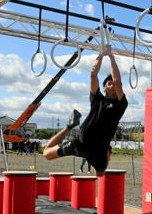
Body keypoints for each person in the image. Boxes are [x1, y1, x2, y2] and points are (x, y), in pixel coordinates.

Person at [43, 46, 127, 176]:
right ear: (104, 87)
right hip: (80, 143)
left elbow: (117, 82)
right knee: (46, 154)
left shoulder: (120, 105)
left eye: (113, 84)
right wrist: (100, 56)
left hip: (99, 150)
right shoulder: (97, 99)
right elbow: (93, 75)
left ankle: (106, 152)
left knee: (100, 174)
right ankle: (69, 126)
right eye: (108, 83)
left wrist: (111, 57)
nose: (112, 86)